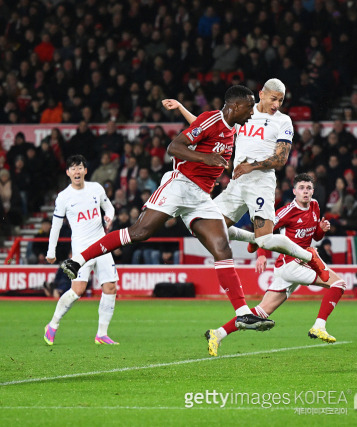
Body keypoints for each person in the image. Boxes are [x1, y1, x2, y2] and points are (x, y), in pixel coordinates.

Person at [60, 86, 273, 332]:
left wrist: (183, 109)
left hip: (200, 197)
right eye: (249, 107)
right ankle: (77, 261)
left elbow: (199, 126)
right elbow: (174, 147)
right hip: (179, 185)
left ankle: (242, 314)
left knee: (222, 248)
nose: (251, 112)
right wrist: (206, 159)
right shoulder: (213, 119)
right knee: (140, 232)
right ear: (235, 106)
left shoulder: (230, 126)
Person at [164, 78, 329, 282]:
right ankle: (251, 238)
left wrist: (251, 165)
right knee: (200, 226)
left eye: (281, 100)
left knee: (267, 241)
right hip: (237, 182)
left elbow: (281, 158)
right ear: (261, 94)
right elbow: (208, 126)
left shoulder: (283, 121)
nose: (276, 105)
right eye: (273, 99)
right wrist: (180, 107)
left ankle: (309, 256)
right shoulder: (245, 113)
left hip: (260, 182)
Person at [204, 174, 345, 356]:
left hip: (293, 265)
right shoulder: (286, 212)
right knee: (338, 284)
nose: (305, 191)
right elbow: (263, 233)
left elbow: (314, 237)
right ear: (294, 191)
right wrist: (261, 255)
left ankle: (218, 333)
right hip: (292, 263)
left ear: (312, 191)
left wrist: (321, 230)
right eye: (301, 188)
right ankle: (319, 326)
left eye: (309, 188)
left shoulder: (315, 206)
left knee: (261, 312)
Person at [44, 155, 119, 345]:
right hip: (81, 250)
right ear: (68, 173)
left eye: (80, 167)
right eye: (73, 168)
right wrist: (51, 251)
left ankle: (101, 334)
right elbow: (56, 226)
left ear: (85, 170)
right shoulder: (64, 197)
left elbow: (109, 208)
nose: (77, 171)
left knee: (110, 286)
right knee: (77, 290)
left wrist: (109, 217)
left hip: (102, 245)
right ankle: (52, 325)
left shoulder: (96, 188)